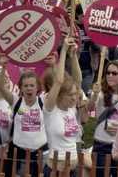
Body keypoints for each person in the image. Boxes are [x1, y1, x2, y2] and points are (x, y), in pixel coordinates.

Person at [44, 37, 84, 176]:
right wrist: (64, 51)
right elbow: (59, 81)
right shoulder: (50, 109)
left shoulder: (72, 108)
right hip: (56, 167)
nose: (75, 97)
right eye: (70, 95)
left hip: (72, 165)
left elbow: (78, 79)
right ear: (60, 95)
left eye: (75, 94)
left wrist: (73, 56)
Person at [88, 61, 118, 177]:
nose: (110, 76)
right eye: (108, 73)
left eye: (114, 73)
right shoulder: (100, 93)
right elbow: (89, 108)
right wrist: (94, 95)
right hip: (101, 145)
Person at [7, 71, 47, 177]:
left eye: (32, 85)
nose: (29, 88)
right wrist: (3, 67)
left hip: (38, 153)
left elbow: (58, 84)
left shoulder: (43, 101)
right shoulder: (16, 101)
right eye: (25, 85)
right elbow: (1, 89)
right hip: (18, 153)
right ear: (20, 87)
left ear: (37, 87)